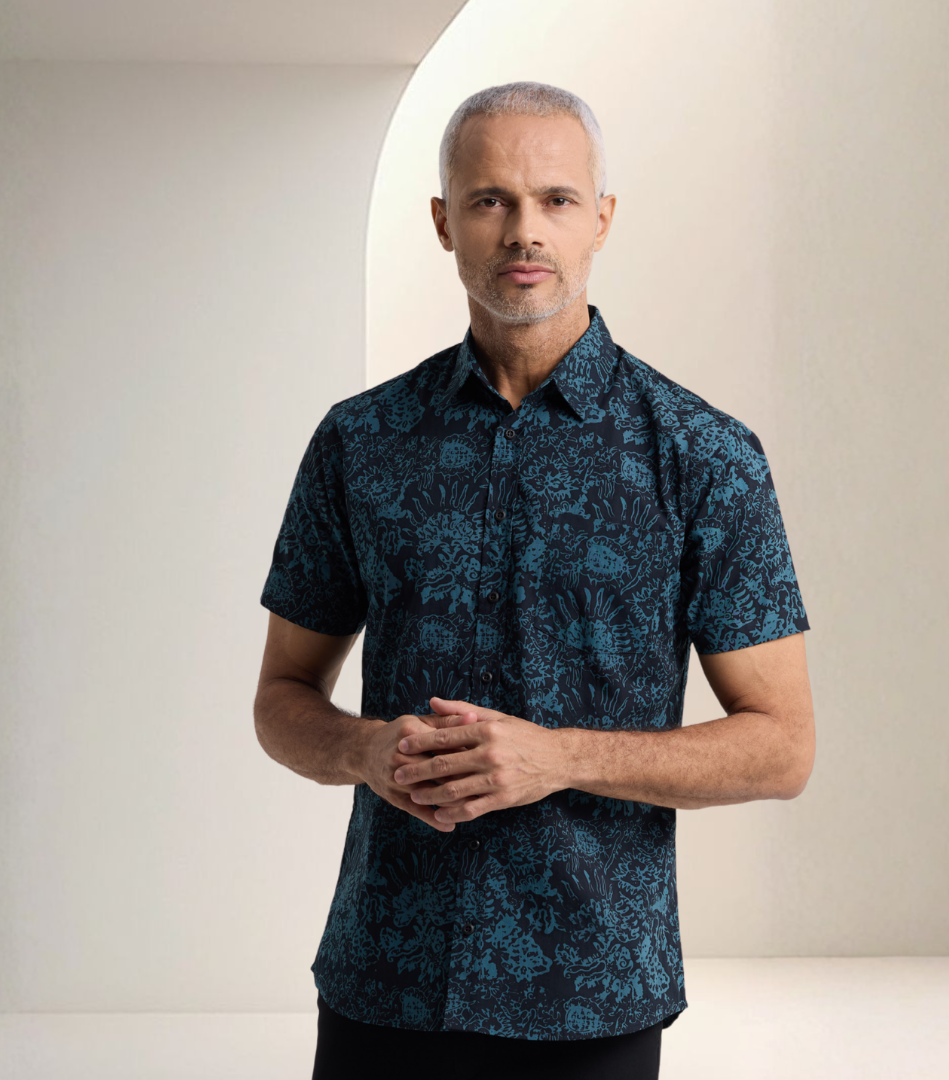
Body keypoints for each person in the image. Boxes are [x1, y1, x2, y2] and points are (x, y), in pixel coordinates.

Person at [254, 80, 815, 1080]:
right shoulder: (360, 443)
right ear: (443, 222)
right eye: (489, 200)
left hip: (591, 996)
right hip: (384, 980)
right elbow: (281, 700)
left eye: (556, 199)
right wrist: (365, 749)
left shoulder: (705, 457)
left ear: (602, 218)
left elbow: (780, 748)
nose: (524, 230)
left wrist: (558, 758)